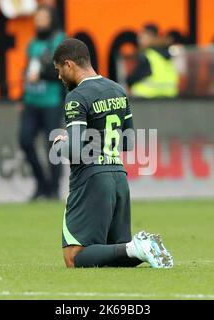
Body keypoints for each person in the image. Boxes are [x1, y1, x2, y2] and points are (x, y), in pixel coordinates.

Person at [51, 38, 174, 268]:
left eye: (59, 70)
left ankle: (136, 246)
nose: (59, 77)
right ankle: (142, 249)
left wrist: (59, 143)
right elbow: (128, 143)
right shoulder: (117, 90)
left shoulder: (76, 98)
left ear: (69, 65)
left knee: (74, 257)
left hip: (91, 179)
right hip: (118, 177)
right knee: (116, 257)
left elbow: (76, 150)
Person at [19, 5, 66, 201]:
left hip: (51, 101)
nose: (39, 22)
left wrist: (43, 76)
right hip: (31, 100)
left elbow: (65, 72)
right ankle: (41, 183)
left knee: (53, 146)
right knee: (25, 140)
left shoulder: (60, 40)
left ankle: (54, 187)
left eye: (43, 18)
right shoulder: (32, 44)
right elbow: (28, 69)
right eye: (37, 18)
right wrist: (22, 97)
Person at [127, 24, 179, 98]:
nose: (139, 40)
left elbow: (132, 79)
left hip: (146, 99)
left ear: (151, 36)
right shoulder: (172, 52)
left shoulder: (147, 55)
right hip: (170, 96)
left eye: (142, 36)